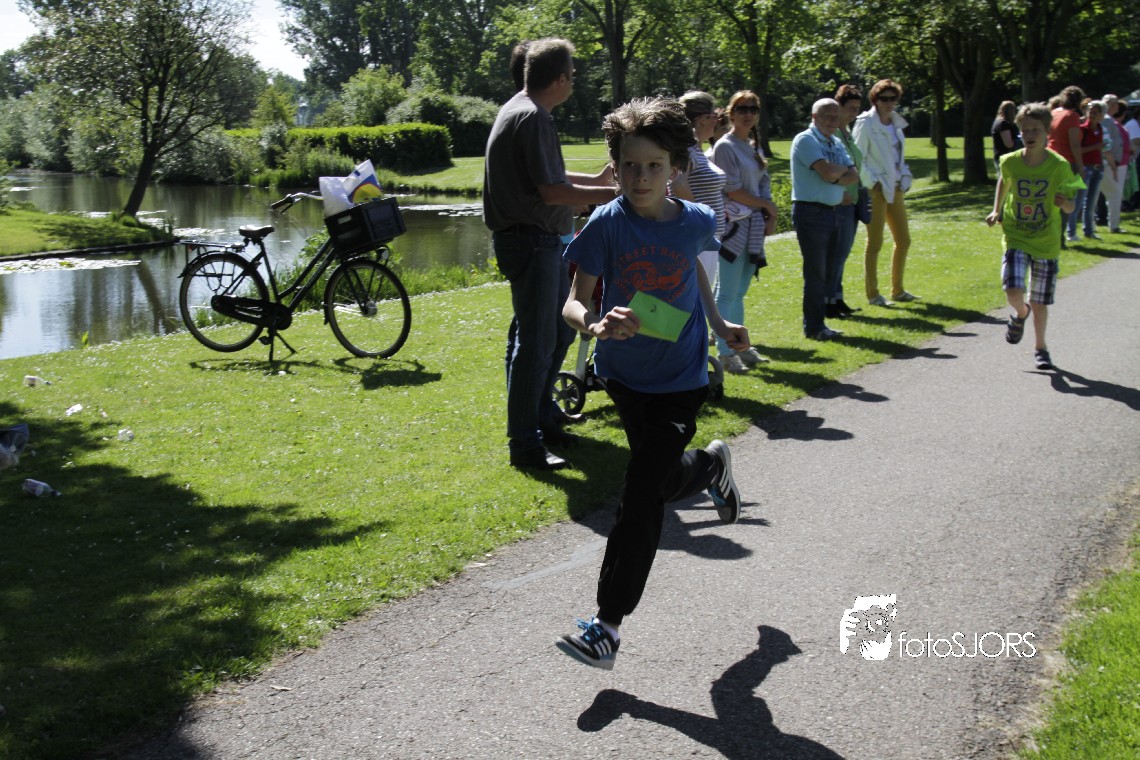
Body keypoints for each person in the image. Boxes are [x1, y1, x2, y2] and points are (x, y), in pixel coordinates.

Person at [555, 97, 749, 670]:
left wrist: (720, 326)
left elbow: (694, 275)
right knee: (658, 478)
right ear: (615, 166)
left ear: (675, 169)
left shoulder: (696, 221)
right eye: (630, 166)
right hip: (625, 378)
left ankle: (607, 626)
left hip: (682, 378)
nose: (640, 178)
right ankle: (708, 467)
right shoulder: (606, 224)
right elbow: (573, 300)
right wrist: (593, 324)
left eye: (654, 166)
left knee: (640, 497)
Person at [483, 38, 617, 471]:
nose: (573, 82)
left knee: (556, 333)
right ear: (559, 79)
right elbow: (551, 191)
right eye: (572, 76)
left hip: (538, 242)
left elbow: (552, 176)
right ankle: (525, 443)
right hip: (532, 242)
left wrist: (600, 180)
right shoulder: (533, 117)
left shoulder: (522, 110)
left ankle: (542, 417)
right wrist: (616, 195)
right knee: (536, 344)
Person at [986, 102, 1080, 372]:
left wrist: (1065, 203)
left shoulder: (1060, 165)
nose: (1030, 135)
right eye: (1025, 130)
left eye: (1036, 130)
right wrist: (996, 209)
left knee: (1040, 301)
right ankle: (1020, 313)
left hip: (1046, 240)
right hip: (1016, 234)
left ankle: (1041, 348)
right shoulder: (1010, 161)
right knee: (1012, 291)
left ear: (1047, 131)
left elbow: (1073, 203)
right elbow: (1004, 180)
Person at [711, 90, 777, 373]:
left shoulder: (753, 146)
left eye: (753, 109)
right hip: (732, 228)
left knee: (739, 291)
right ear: (731, 113)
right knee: (726, 293)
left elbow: (762, 184)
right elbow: (732, 189)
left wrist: (768, 214)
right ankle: (725, 353)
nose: (748, 114)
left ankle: (741, 347)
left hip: (753, 225)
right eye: (742, 109)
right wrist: (767, 206)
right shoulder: (725, 147)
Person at [790, 99, 860, 340]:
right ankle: (814, 327)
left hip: (833, 212)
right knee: (816, 274)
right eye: (827, 116)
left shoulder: (835, 142)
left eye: (835, 116)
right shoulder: (806, 140)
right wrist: (836, 172)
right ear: (814, 117)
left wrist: (833, 174)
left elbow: (854, 175)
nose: (832, 120)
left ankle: (820, 324)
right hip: (811, 213)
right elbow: (829, 171)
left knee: (830, 271)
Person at [853, 78, 916, 306]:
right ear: (875, 99)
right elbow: (858, 157)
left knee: (904, 240)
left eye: (893, 99)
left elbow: (899, 157)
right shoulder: (865, 123)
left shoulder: (896, 123)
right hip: (875, 189)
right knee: (875, 243)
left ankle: (898, 290)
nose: (889, 103)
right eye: (884, 99)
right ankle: (873, 294)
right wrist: (873, 182)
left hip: (895, 187)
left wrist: (904, 177)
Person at [671, 91, 727, 284]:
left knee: (703, 294)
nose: (717, 121)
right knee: (698, 295)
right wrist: (701, 217)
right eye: (714, 116)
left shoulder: (696, 149)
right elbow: (678, 183)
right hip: (696, 236)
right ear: (702, 119)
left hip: (706, 235)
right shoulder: (688, 150)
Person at [830, 84, 866, 319]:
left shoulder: (848, 132)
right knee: (837, 253)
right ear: (839, 107)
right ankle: (831, 301)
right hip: (839, 200)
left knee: (843, 253)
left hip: (852, 200)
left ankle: (838, 297)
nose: (854, 112)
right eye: (850, 108)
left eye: (857, 108)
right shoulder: (832, 134)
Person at [1047, 85, 1085, 243]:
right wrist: (1080, 167)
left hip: (1050, 160)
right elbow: (1074, 144)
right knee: (1066, 201)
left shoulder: (1054, 113)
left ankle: (1050, 235)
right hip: (1067, 163)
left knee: (1051, 198)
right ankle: (1059, 238)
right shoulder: (1072, 116)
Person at [1071, 100, 1107, 241]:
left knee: (1091, 203)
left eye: (1095, 113)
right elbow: (1078, 149)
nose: (1092, 115)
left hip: (1097, 167)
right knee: (1078, 201)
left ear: (1101, 116)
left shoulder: (1100, 128)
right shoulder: (1082, 129)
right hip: (1085, 167)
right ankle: (1071, 232)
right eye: (1090, 112)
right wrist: (1096, 147)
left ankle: (1089, 231)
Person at [1099, 95, 1130, 232]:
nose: (1118, 106)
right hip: (1111, 163)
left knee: (1111, 194)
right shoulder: (1106, 120)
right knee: (1115, 194)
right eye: (1116, 103)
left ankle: (1106, 224)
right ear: (1110, 105)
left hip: (1115, 162)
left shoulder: (1109, 120)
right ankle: (1114, 225)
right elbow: (1106, 143)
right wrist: (1113, 162)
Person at [991, 100, 1020, 170]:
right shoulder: (1004, 124)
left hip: (998, 156)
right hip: (1005, 157)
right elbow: (1009, 144)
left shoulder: (997, 122)